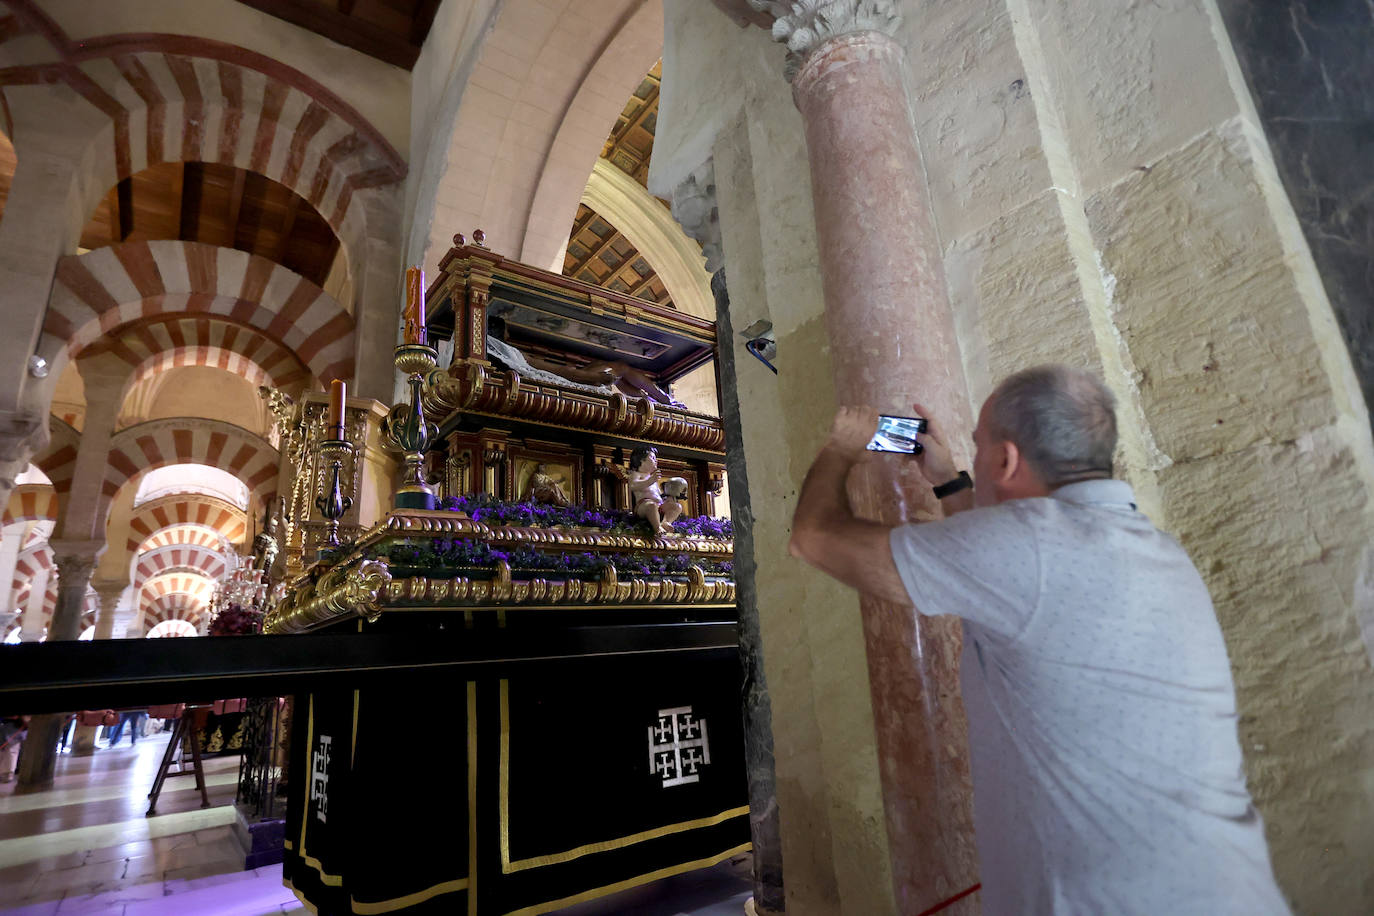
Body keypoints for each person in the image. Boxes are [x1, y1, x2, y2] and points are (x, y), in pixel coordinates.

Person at [788, 365, 1289, 915]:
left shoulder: (1026, 550)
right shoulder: (1155, 550)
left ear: (1004, 461)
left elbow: (814, 538)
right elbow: (997, 569)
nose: (975, 459)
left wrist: (841, 449)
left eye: (979, 449)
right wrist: (950, 479)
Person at [628, 446, 685, 535]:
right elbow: (633, 486)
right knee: (651, 505)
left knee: (676, 506)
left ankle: (666, 522)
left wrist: (667, 498)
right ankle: (657, 527)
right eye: (653, 458)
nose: (656, 461)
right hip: (643, 506)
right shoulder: (636, 474)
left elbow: (658, 494)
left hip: (658, 505)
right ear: (641, 460)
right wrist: (650, 481)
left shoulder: (652, 478)